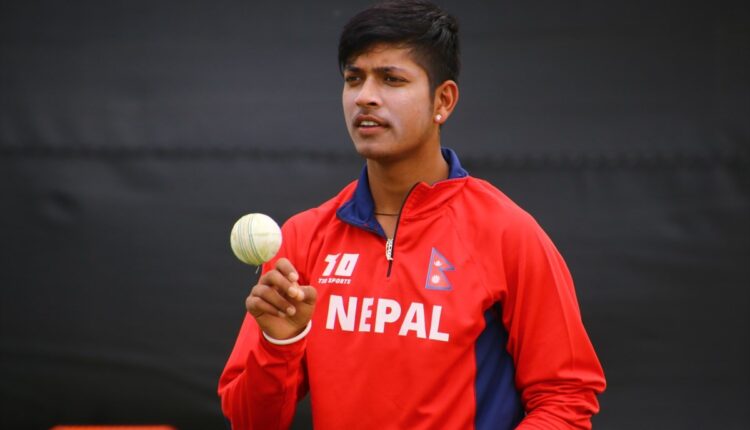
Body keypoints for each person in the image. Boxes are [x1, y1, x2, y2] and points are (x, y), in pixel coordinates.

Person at [218, 1, 606, 428]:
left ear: (444, 100)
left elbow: (567, 399)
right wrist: (278, 344)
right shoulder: (303, 237)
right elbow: (249, 422)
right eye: (354, 78)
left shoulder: (508, 233)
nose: (365, 96)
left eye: (391, 79)